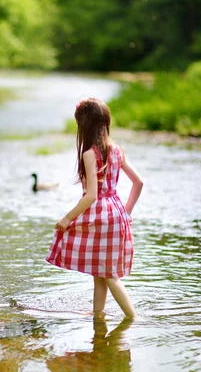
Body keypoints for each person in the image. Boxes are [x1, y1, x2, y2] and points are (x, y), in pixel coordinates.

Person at [46, 97, 143, 318]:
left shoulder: (90, 154)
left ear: (85, 126)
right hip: (116, 211)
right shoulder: (117, 150)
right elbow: (139, 183)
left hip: (100, 215)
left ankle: (132, 317)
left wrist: (67, 218)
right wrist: (125, 213)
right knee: (101, 272)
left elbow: (91, 195)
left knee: (109, 274)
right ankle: (98, 314)